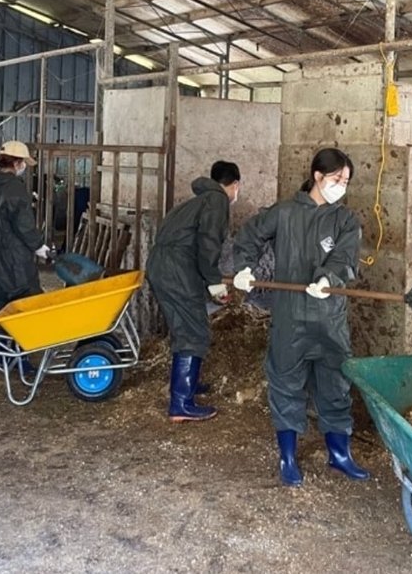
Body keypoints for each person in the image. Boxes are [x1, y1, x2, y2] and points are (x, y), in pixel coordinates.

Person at [232, 148, 370, 486]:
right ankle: (288, 457)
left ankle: (340, 455)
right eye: (337, 179)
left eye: (346, 181)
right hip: (290, 315)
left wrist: (329, 278)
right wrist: (243, 268)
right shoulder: (285, 213)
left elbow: (346, 258)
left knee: (335, 382)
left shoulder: (345, 220)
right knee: (285, 382)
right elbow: (249, 235)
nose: (342, 186)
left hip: (329, 316)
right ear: (318, 176)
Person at [146, 160, 241, 422]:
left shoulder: (193, 203)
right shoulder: (217, 201)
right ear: (234, 185)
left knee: (186, 324)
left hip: (164, 266)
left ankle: (187, 383)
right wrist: (214, 281)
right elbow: (208, 243)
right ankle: (181, 403)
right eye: (236, 188)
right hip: (176, 269)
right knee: (194, 329)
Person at [0, 141, 49, 373]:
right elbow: (24, 225)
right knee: (24, 302)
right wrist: (39, 246)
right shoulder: (14, 187)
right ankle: (19, 359)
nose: (24, 166)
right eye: (24, 162)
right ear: (16, 163)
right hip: (15, 257)